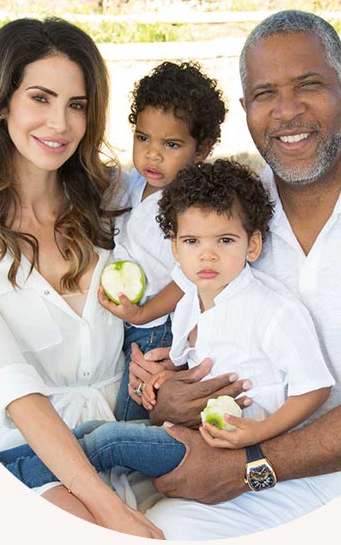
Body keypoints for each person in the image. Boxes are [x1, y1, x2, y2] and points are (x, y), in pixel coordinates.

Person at [120, 11, 341, 539]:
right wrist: (166, 392)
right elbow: (196, 335)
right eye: (264, 93)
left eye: (309, 85)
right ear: (246, 108)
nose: (286, 110)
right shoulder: (235, 212)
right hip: (259, 468)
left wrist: (249, 466)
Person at [0, 17, 165, 539]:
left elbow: (203, 247)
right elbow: (12, 387)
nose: (60, 123)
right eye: (40, 97)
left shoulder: (119, 198)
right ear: (0, 101)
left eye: (77, 105)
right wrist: (105, 506)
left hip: (142, 441)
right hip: (38, 463)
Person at [0, 159, 335, 489]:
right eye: (192, 241)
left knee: (110, 441)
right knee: (94, 429)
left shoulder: (272, 311)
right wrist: (164, 374)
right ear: (174, 247)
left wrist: (258, 435)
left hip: (235, 448)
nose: (207, 254)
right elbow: (195, 362)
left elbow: (316, 387)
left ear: (253, 245)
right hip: (192, 429)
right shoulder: (188, 303)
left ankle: (8, 482)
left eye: (225, 240)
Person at [99, 61, 227, 421]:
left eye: (171, 144)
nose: (152, 154)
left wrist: (143, 313)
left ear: (200, 151)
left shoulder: (189, 206)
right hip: (126, 318)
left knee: (135, 409)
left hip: (158, 326)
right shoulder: (133, 185)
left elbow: (187, 279)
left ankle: (132, 467)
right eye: (143, 138)